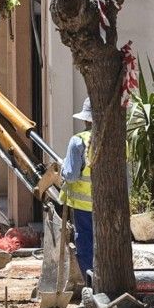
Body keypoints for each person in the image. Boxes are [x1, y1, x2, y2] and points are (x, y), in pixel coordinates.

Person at [61, 98, 94, 287]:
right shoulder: (118, 140)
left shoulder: (78, 141)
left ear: (85, 120)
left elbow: (71, 176)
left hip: (84, 208)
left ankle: (92, 288)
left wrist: (63, 168)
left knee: (86, 249)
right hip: (110, 208)